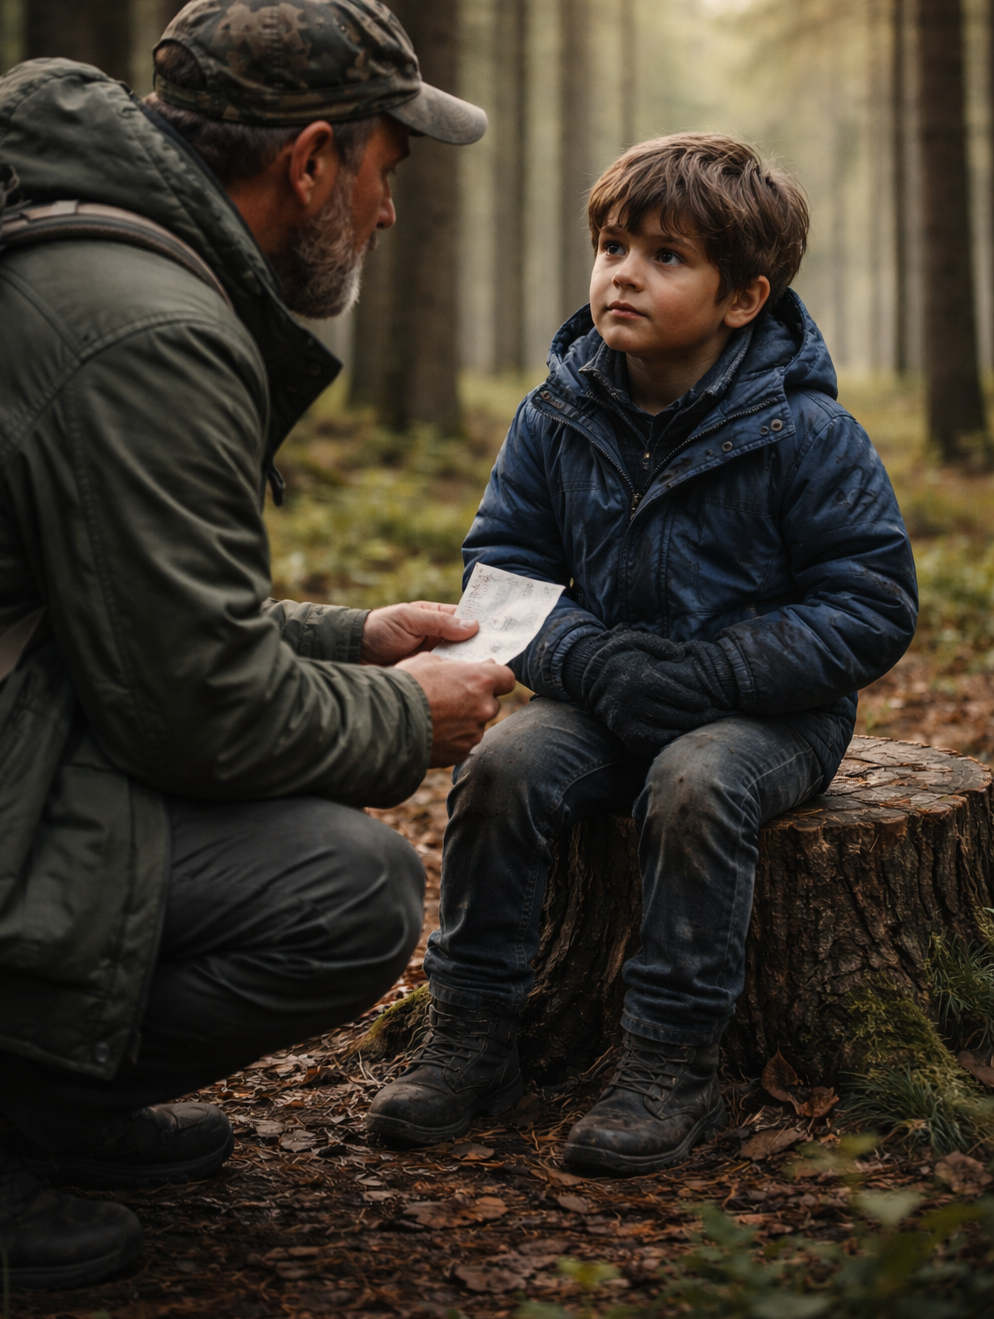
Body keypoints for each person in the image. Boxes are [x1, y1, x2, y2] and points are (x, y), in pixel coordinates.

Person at [0, 0, 514, 1289]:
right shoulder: (146, 329)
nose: (390, 210)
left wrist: (356, 639)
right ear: (314, 159)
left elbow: (118, 606)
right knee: (347, 892)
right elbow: (193, 707)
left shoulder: (81, 247)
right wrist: (412, 719)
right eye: (386, 167)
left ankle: (45, 1107)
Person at [368, 133, 918, 1175]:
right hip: (602, 691)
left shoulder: (806, 434)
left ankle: (670, 1061)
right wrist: (598, 666)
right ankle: (475, 1034)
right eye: (613, 245)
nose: (623, 272)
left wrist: (715, 676)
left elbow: (868, 604)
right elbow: (504, 572)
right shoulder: (555, 415)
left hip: (771, 713)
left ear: (742, 299)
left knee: (694, 781)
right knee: (504, 766)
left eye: (667, 256)